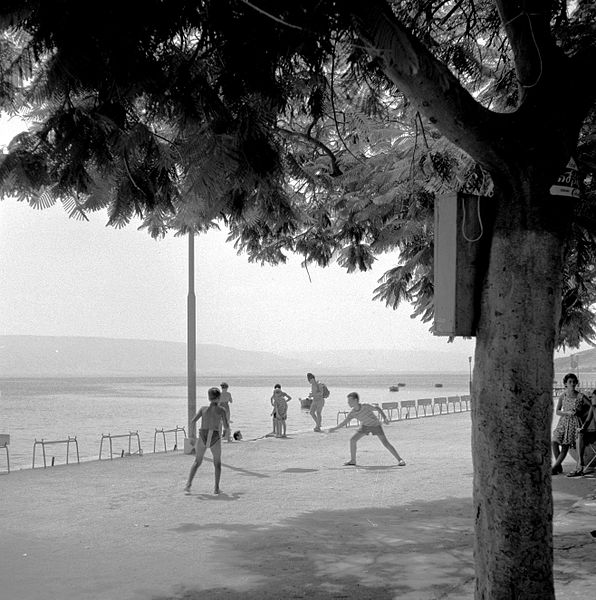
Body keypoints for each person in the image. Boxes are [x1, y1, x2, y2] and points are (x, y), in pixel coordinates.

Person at [327, 392, 406, 467]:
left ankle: (400, 459)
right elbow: (344, 423)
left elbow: (377, 408)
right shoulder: (352, 413)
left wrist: (385, 418)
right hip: (365, 426)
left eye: (349, 401)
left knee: (385, 443)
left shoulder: (365, 406)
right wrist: (334, 428)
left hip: (375, 425)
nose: (348, 403)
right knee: (353, 440)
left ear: (355, 400)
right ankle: (353, 460)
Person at [184, 387, 229, 495]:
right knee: (217, 463)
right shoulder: (221, 410)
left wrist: (192, 437)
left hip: (202, 435)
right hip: (214, 436)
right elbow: (227, 426)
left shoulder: (203, 409)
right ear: (219, 398)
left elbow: (193, 421)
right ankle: (216, 488)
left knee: (197, 462)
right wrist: (223, 428)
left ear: (209, 398)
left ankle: (188, 484)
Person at [551, 372, 589, 475]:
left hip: (574, 423)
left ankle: (554, 468)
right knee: (554, 442)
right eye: (570, 382)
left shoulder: (581, 396)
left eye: (574, 382)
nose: (572, 384)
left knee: (565, 446)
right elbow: (557, 411)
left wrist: (581, 413)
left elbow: (591, 407)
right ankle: (558, 466)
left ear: (576, 383)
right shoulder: (563, 396)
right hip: (563, 422)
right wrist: (566, 413)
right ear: (565, 384)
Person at [567, 388, 596, 477]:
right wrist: (582, 428)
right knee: (580, 434)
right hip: (594, 433)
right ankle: (580, 464)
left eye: (594, 397)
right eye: (592, 397)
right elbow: (587, 421)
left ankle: (580, 466)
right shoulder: (593, 407)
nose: (592, 398)